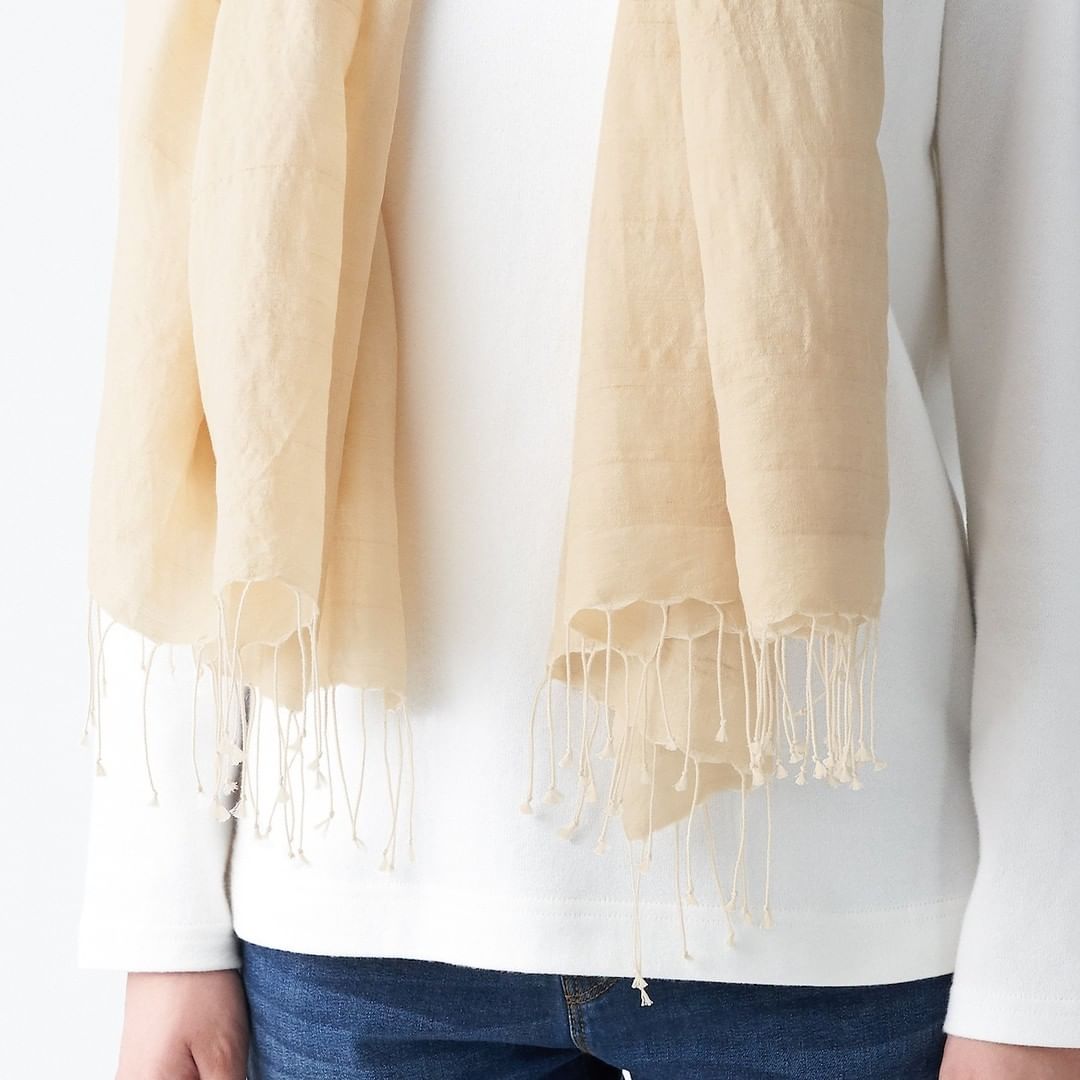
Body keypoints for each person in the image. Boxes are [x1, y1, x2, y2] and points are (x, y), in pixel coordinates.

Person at [77, 2, 1080, 1078]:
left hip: (826, 934)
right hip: (355, 921)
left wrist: (1038, 982)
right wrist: (161, 913)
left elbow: (1048, 420)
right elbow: (188, 380)